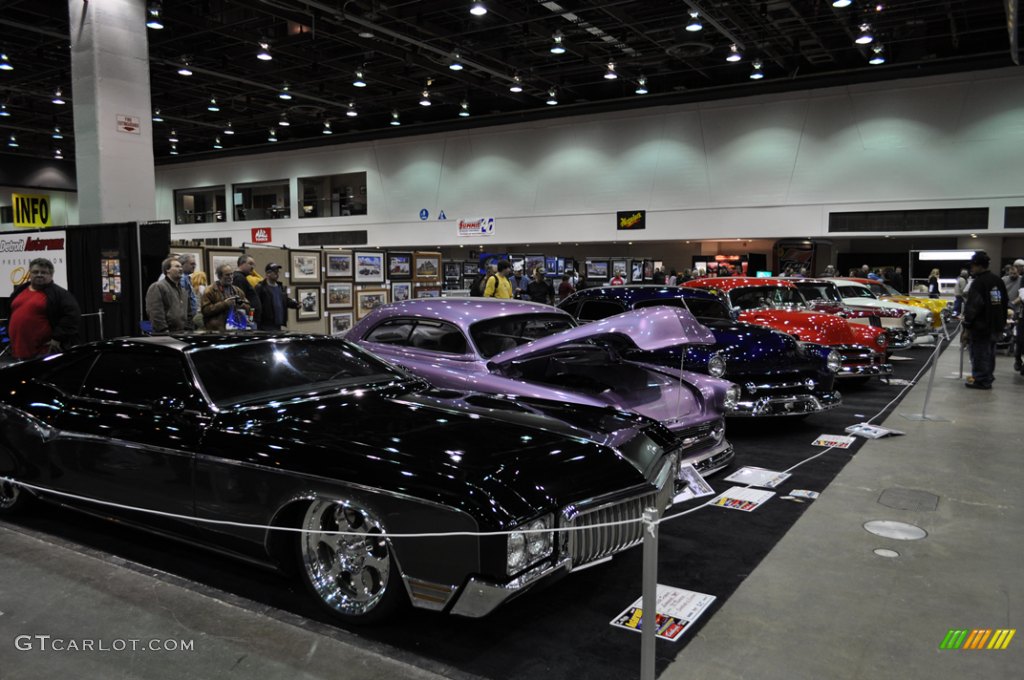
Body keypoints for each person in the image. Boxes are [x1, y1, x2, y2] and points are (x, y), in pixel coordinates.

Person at [6, 257, 80, 359]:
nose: (39, 275)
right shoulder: (20, 290)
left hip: (43, 352)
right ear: (30, 273)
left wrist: (58, 338)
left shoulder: (60, 294)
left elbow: (72, 316)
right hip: (18, 350)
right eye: (35, 272)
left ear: (51, 275)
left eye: (44, 272)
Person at [962, 252, 1007, 390]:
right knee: (990, 353)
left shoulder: (979, 283)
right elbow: (1003, 303)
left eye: (973, 266)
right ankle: (987, 377)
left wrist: (967, 327)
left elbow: (973, 307)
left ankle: (981, 380)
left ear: (979, 266)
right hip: (995, 325)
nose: (971, 269)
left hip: (981, 326)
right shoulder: (997, 280)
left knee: (979, 353)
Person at [145, 256, 190, 334]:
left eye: (181, 267)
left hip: (181, 333)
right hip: (165, 334)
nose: (181, 269)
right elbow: (155, 312)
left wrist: (187, 329)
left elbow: (188, 312)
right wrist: (163, 330)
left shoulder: (183, 290)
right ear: (167, 270)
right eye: (177, 266)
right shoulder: (157, 286)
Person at [202, 263, 250, 331]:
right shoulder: (210, 290)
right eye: (227, 275)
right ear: (219, 276)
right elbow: (205, 311)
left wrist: (242, 305)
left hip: (235, 328)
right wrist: (225, 304)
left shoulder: (237, 290)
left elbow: (249, 308)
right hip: (216, 330)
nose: (230, 277)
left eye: (231, 274)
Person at [255, 263, 299, 330]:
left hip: (278, 324)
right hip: (265, 325)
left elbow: (285, 301)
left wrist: (295, 304)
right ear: (268, 273)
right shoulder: (260, 287)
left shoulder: (280, 287)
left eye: (278, 272)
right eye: (275, 272)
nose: (277, 274)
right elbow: (256, 304)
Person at [233, 255, 262, 326]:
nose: (252, 267)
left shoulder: (242, 277)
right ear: (241, 264)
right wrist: (249, 319)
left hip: (250, 317)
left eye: (253, 265)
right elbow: (240, 301)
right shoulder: (239, 278)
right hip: (247, 320)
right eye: (250, 264)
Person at [176, 253, 200, 321]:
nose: (194, 266)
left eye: (195, 264)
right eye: (192, 264)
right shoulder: (182, 279)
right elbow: (182, 301)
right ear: (182, 264)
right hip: (186, 318)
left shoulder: (186, 277)